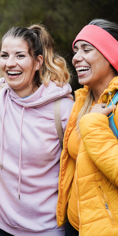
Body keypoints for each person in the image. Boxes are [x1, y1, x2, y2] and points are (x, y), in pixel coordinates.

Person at [0, 24, 73, 236]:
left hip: (45, 229)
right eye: (4, 55)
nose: (10, 63)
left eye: (20, 55)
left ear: (37, 62)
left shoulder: (62, 110)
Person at [57, 19, 118, 236]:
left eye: (86, 49)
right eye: (75, 50)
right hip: (75, 224)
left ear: (110, 55)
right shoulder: (83, 101)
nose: (76, 57)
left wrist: (93, 125)